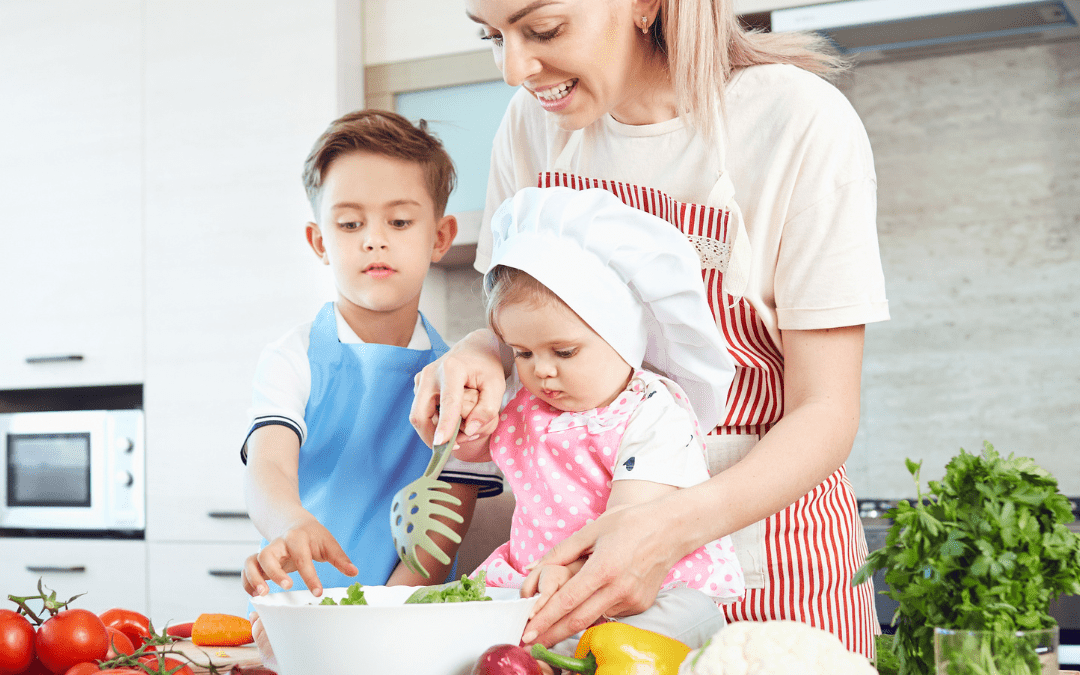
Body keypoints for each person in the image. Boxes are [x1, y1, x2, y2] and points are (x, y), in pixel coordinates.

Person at [410, 0, 890, 660]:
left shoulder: (798, 121)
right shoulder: (531, 127)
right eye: (493, 36)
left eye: (543, 30)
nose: (515, 68)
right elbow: (514, 313)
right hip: (578, 559)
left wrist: (664, 528)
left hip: (771, 548)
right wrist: (481, 352)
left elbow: (827, 409)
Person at [454, 186, 745, 655]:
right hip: (541, 584)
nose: (541, 369)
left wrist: (572, 577)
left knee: (679, 619)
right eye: (523, 352)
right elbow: (477, 451)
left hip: (647, 587)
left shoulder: (651, 410)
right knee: (471, 636)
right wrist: (466, 427)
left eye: (563, 352)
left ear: (622, 336)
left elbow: (632, 515)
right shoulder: (527, 406)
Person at [239, 109, 504, 603]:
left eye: (399, 221)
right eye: (349, 223)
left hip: (402, 616)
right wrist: (290, 521)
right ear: (320, 242)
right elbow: (268, 469)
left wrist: (379, 617)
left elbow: (441, 534)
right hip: (296, 611)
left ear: (440, 237)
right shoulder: (291, 358)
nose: (373, 238)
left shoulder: (461, 383)